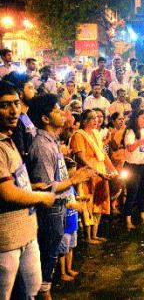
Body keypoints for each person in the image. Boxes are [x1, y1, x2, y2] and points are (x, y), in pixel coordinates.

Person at [27, 94, 95, 299]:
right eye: (57, 110)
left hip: (61, 205)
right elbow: (47, 187)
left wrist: (72, 193)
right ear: (45, 118)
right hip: (52, 208)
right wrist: (75, 181)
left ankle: (46, 289)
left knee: (54, 250)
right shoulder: (42, 145)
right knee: (48, 251)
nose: (62, 113)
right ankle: (43, 293)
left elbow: (58, 177)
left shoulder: (52, 141)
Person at [0, 80, 55, 300]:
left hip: (27, 233)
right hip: (7, 240)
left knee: (31, 292)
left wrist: (31, 187)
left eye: (15, 103)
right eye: (4, 105)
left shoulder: (9, 140)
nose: (14, 111)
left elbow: (14, 183)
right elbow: (6, 192)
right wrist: (40, 196)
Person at [70, 109, 118, 244]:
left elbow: (102, 154)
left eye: (97, 117)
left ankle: (95, 234)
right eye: (93, 118)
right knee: (88, 204)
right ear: (85, 121)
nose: (96, 120)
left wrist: (112, 169)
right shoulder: (79, 135)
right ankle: (88, 237)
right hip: (87, 174)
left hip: (100, 172)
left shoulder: (96, 134)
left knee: (99, 203)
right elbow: (81, 158)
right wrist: (97, 172)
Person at [2, 72, 37, 163]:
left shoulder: (24, 115)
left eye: (16, 103)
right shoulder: (14, 121)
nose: (35, 91)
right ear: (20, 93)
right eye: (30, 88)